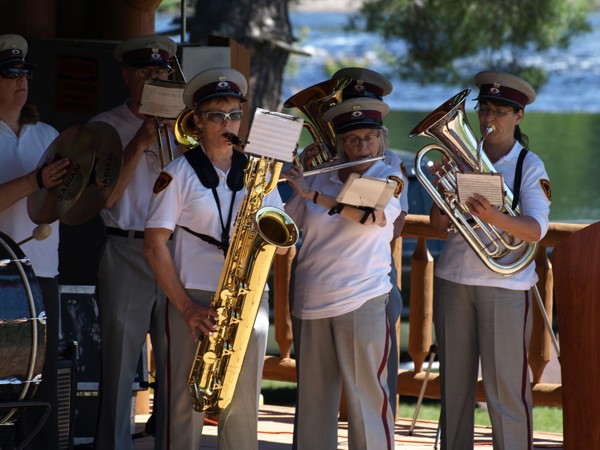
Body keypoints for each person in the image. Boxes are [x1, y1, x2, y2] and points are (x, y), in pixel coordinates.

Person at [144, 66, 287, 450]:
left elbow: (285, 240)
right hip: (192, 297)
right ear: (198, 123)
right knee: (183, 406)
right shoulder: (178, 173)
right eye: (216, 116)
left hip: (246, 298)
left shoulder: (258, 173)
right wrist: (187, 308)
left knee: (243, 409)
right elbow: (154, 244)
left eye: (234, 115)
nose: (227, 123)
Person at [429, 71, 552, 450]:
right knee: (455, 390)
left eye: (500, 111)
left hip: (505, 286)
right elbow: (437, 226)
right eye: (484, 109)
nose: (489, 119)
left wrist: (492, 216)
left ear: (519, 116)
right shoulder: (460, 158)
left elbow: (535, 229)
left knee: (505, 392)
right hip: (454, 279)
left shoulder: (529, 165)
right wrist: (442, 188)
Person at [282, 97, 406, 450]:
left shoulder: (387, 176)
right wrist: (275, 184)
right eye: (352, 140)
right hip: (311, 302)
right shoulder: (319, 176)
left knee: (366, 404)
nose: (361, 146)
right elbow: (283, 236)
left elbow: (368, 216)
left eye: (369, 138)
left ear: (381, 140)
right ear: (339, 143)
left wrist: (314, 194)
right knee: (313, 408)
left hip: (361, 300)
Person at [89, 34, 179, 450]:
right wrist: (140, 140)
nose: (153, 80)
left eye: (160, 73)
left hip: (177, 250)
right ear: (127, 76)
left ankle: (172, 442)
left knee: (176, 359)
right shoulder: (104, 126)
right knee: (120, 360)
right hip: (126, 247)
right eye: (144, 73)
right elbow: (101, 198)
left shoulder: (185, 125)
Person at [0, 33, 70, 448]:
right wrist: (34, 181)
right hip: (1, 275)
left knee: (38, 387)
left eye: (24, 72)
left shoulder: (50, 135)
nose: (21, 80)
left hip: (42, 275)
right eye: (10, 73)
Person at [332, 66, 410, 418]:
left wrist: (337, 195)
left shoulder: (391, 166)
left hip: (372, 275)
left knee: (378, 371)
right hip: (323, 281)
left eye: (368, 133)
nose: (361, 143)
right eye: (349, 106)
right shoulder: (326, 163)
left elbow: (389, 224)